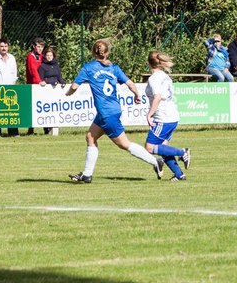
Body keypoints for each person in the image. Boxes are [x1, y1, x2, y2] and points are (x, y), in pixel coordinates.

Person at [62, 39, 162, 183]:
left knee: (124, 144)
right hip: (111, 110)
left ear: (93, 52)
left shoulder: (89, 68)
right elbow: (130, 84)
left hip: (106, 114)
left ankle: (155, 162)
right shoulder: (114, 68)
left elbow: (74, 86)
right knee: (90, 137)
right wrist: (137, 95)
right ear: (107, 52)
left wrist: (68, 93)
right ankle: (87, 175)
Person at [144, 50, 191, 182]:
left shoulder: (154, 79)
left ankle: (183, 152)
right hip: (172, 116)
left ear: (149, 63)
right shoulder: (165, 76)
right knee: (164, 148)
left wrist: (149, 114)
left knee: (149, 147)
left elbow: (157, 97)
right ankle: (179, 175)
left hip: (163, 118)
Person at [24, 37, 45, 134]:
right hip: (33, 86)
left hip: (42, 85)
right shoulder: (30, 57)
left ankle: (46, 128)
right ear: (34, 47)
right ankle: (31, 129)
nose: (40, 49)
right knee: (32, 108)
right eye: (38, 47)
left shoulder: (42, 57)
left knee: (44, 107)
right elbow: (33, 72)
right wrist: (39, 82)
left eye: (42, 47)